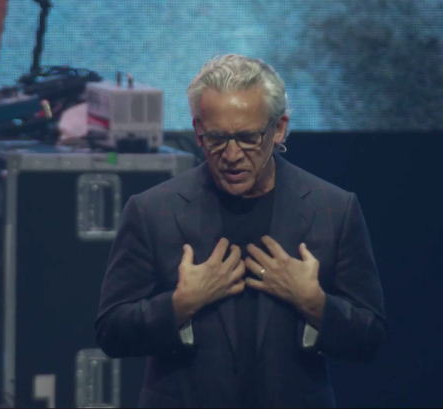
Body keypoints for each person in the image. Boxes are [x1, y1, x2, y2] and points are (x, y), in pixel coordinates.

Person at [95, 54, 386, 408]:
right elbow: (112, 332)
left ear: (279, 129)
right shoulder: (152, 211)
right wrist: (179, 305)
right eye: (217, 138)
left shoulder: (333, 209)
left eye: (248, 138)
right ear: (198, 132)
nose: (232, 155)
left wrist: (316, 304)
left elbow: (370, 337)